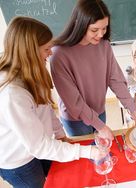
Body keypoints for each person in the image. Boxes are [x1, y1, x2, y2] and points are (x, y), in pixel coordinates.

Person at [0, 16, 108, 188]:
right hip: (18, 162)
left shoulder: (32, 72)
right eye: (46, 49)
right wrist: (89, 151)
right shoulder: (12, 94)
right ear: (30, 51)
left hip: (38, 147)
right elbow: (39, 146)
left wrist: (59, 134)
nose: (51, 53)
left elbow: (46, 108)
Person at [50, 0, 136, 137]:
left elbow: (116, 80)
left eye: (104, 28)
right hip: (75, 119)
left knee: (101, 151)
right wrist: (100, 126)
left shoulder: (104, 45)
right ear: (79, 24)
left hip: (99, 112)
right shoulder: (59, 54)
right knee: (88, 154)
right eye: (94, 30)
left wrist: (132, 108)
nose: (100, 34)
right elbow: (74, 102)